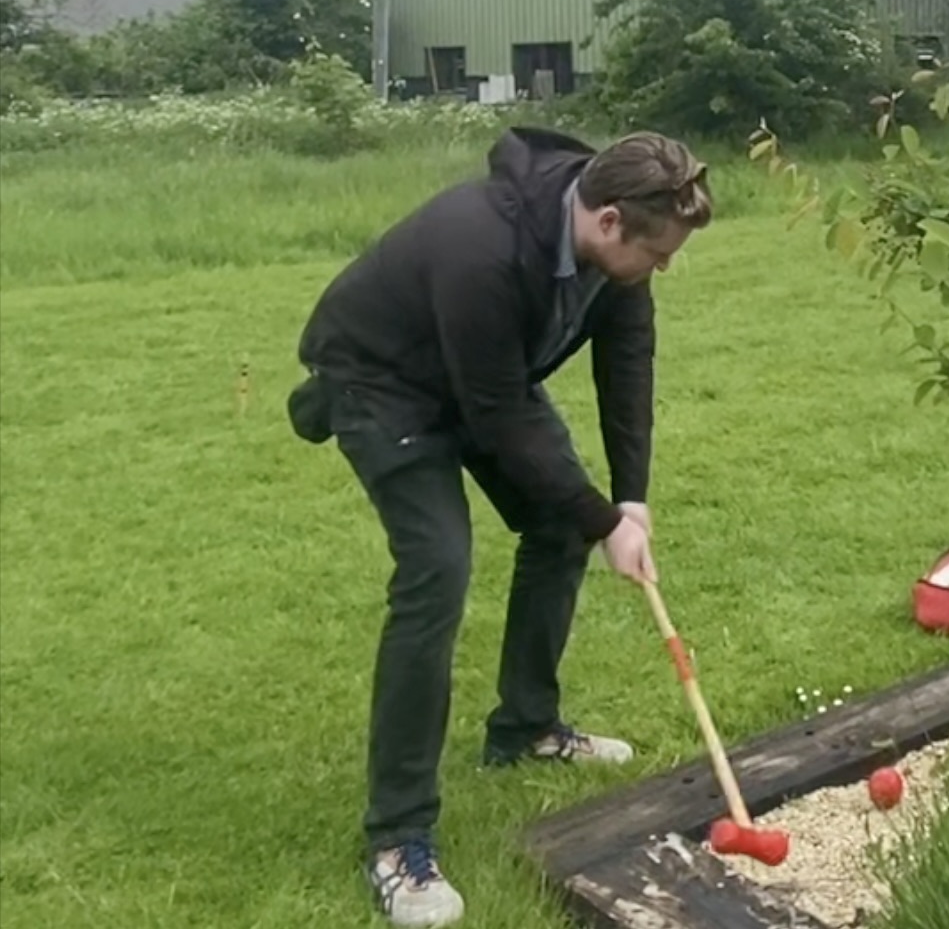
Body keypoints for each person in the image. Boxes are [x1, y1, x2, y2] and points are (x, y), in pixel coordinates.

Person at [286, 126, 713, 927]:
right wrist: (597, 517)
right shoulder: (480, 244)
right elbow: (494, 413)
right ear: (611, 221)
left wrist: (630, 501)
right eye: (659, 256)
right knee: (437, 569)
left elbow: (627, 366)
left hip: (483, 374)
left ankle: (526, 727)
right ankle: (397, 839)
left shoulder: (617, 247)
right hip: (382, 384)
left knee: (559, 529)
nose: (664, 269)